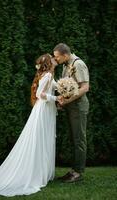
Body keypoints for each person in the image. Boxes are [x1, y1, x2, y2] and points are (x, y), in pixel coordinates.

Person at [0, 53, 60, 196]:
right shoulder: (48, 75)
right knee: (41, 140)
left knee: (42, 140)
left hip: (45, 110)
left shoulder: (49, 75)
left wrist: (65, 88)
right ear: (49, 62)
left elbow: (55, 86)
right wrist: (56, 97)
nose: (56, 60)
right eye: (53, 58)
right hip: (43, 110)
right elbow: (39, 94)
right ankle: (37, 174)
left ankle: (41, 172)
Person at [53, 43, 89, 183]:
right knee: (74, 139)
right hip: (71, 106)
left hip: (78, 107)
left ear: (65, 55)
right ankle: (74, 170)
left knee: (79, 139)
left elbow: (85, 87)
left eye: (57, 57)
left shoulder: (78, 64)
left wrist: (66, 101)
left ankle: (78, 172)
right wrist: (63, 99)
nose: (55, 59)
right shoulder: (65, 65)